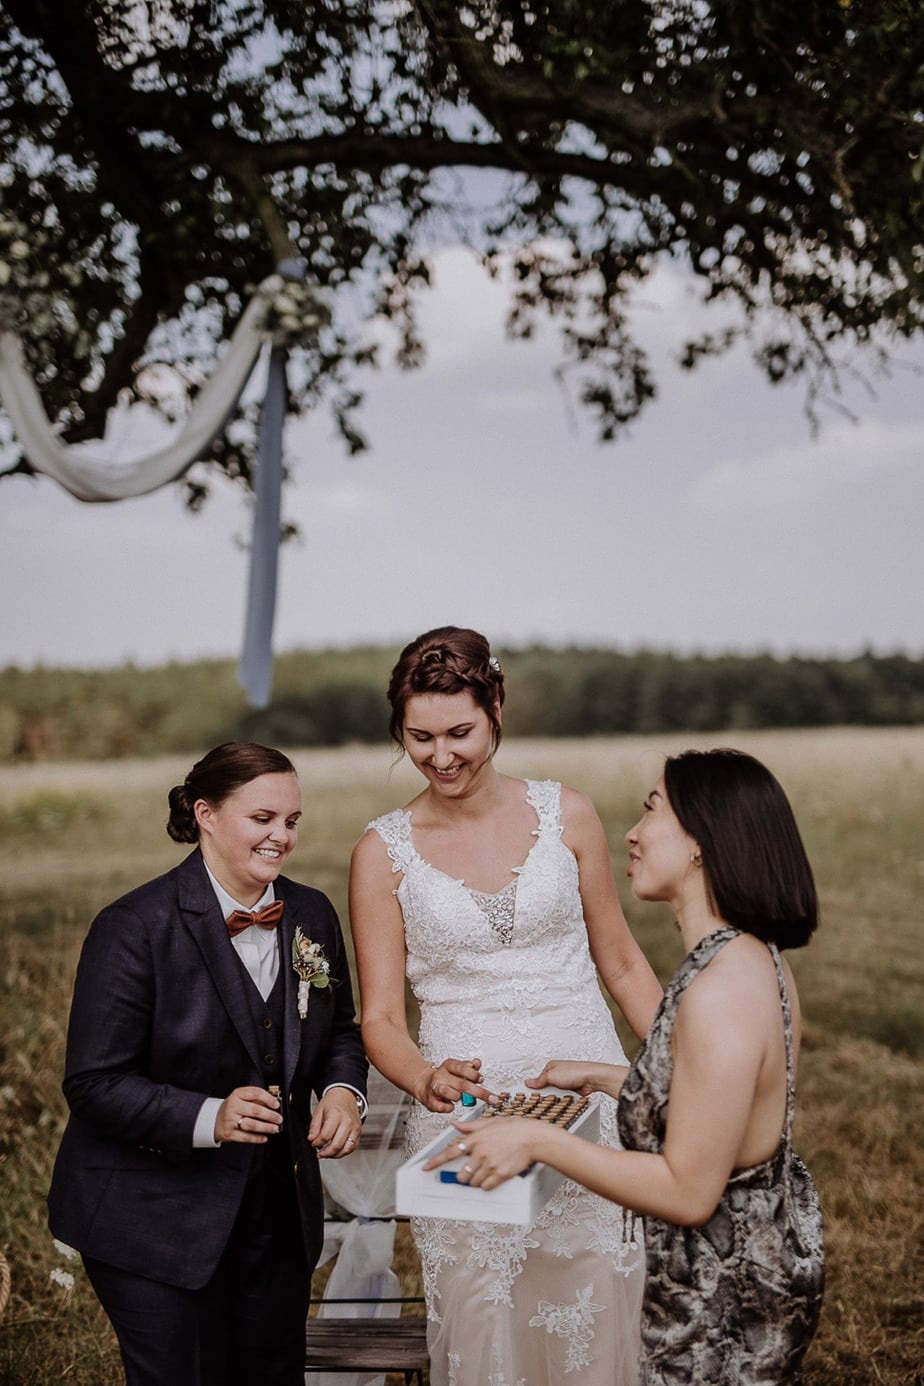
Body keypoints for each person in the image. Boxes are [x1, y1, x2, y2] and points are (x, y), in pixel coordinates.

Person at [426, 748, 825, 1385]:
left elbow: (689, 1191)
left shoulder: (720, 992)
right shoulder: (748, 959)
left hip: (722, 1297)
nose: (633, 834)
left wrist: (538, 1138)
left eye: (652, 810)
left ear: (702, 842)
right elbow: (721, 1105)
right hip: (746, 1268)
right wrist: (612, 1079)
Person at [348, 626, 663, 1384]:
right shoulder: (381, 851)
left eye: (460, 731)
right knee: (485, 1314)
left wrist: (680, 1070)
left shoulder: (569, 815)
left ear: (497, 707)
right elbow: (381, 1019)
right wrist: (423, 1078)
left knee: (593, 1301)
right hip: (466, 1117)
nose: (441, 755)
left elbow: (621, 962)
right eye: (418, 737)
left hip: (588, 1105)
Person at [48, 742, 368, 1386]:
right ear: (207, 814)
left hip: (277, 1213)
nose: (282, 837)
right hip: (154, 1216)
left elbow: (340, 1031)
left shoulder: (310, 914)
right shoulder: (133, 926)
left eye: (292, 821)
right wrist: (208, 1115)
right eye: (263, 819)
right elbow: (93, 1083)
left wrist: (340, 1092)